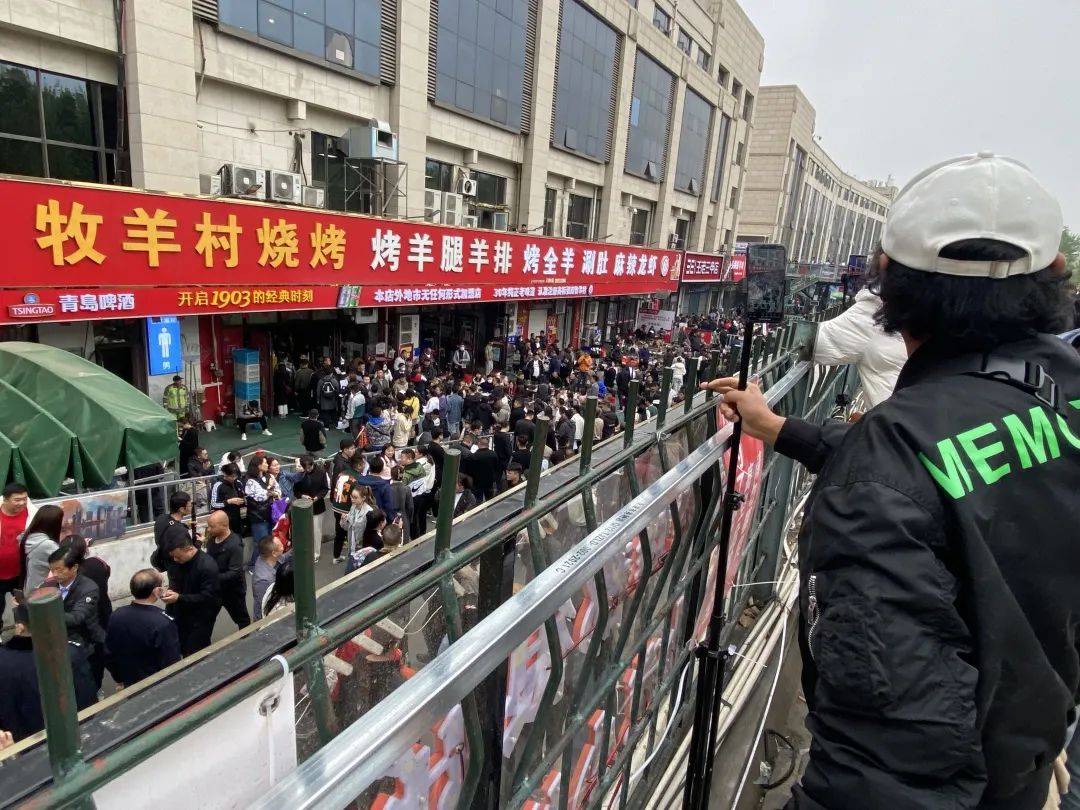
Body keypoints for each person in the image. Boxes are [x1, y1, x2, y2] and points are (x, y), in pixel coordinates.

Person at [704, 153, 1080, 810]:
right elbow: (944, 470)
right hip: (1038, 751)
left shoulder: (891, 460)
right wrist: (782, 429)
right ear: (1054, 274)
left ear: (887, 282)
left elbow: (885, 776)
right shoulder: (1062, 389)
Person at [0, 600, 96, 741]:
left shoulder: (3, 660)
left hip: (16, 741)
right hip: (67, 737)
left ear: (20, 627)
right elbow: (87, 700)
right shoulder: (70, 654)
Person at [811, 284, 907, 408]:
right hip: (918, 411)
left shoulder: (872, 311)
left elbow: (814, 342)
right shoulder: (923, 308)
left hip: (893, 415)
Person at [104, 568, 181, 688]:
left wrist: (119, 678)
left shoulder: (116, 615)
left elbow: (109, 653)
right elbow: (171, 662)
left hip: (129, 681)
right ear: (157, 591)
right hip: (157, 685)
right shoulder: (163, 623)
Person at [47, 544, 106, 686]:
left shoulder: (88, 589)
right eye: (52, 570)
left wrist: (45, 612)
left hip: (86, 644)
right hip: (58, 645)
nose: (54, 574)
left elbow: (77, 617)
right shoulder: (48, 586)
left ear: (74, 568)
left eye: (59, 570)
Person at [161, 527, 221, 656]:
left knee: (195, 653)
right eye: (173, 557)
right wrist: (170, 593)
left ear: (188, 549)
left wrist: (179, 598)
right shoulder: (179, 562)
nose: (175, 560)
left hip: (200, 620)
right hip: (181, 614)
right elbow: (176, 582)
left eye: (178, 556)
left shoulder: (207, 566)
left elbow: (208, 598)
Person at [204, 510, 249, 631]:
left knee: (241, 618)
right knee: (206, 617)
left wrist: (212, 578)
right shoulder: (212, 539)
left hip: (232, 590)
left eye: (212, 526)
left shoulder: (234, 545)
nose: (209, 529)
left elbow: (234, 572)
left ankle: (246, 637)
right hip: (215, 589)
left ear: (224, 525)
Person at [19, 503, 63, 593]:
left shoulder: (28, 537)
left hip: (29, 588)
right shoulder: (47, 545)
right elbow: (66, 562)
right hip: (43, 591)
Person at [152, 490, 192, 571]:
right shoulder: (181, 532)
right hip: (179, 569)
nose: (191, 507)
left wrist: (185, 525)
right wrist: (198, 542)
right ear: (181, 509)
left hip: (166, 564)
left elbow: (169, 530)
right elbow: (187, 555)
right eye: (189, 505)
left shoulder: (161, 519)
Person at [244, 455, 274, 559]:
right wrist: (270, 487)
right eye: (265, 463)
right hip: (258, 517)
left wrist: (272, 492)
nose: (267, 465)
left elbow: (278, 490)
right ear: (258, 465)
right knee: (260, 544)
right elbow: (260, 497)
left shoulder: (268, 476)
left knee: (270, 543)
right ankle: (254, 564)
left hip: (270, 514)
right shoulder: (250, 481)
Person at [251, 536, 285, 621]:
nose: (283, 546)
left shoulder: (265, 557)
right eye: (280, 546)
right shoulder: (263, 581)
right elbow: (262, 605)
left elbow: (283, 558)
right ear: (274, 553)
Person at [344, 489, 377, 572]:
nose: (352, 499)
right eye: (351, 497)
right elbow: (347, 527)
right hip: (352, 546)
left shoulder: (369, 512)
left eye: (355, 497)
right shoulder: (353, 508)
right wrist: (344, 520)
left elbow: (370, 533)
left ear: (363, 498)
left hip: (361, 547)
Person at [209, 463, 245, 536]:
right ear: (225, 474)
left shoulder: (238, 483)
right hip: (224, 519)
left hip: (238, 517)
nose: (234, 478)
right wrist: (229, 501)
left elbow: (243, 495)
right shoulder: (218, 485)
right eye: (232, 476)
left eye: (236, 476)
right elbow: (213, 504)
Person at [462, 436, 499, 503]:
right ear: (487, 444)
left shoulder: (473, 456)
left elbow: (469, 470)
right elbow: (497, 467)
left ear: (479, 444)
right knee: (490, 500)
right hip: (490, 482)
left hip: (477, 483)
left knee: (478, 501)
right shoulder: (493, 454)